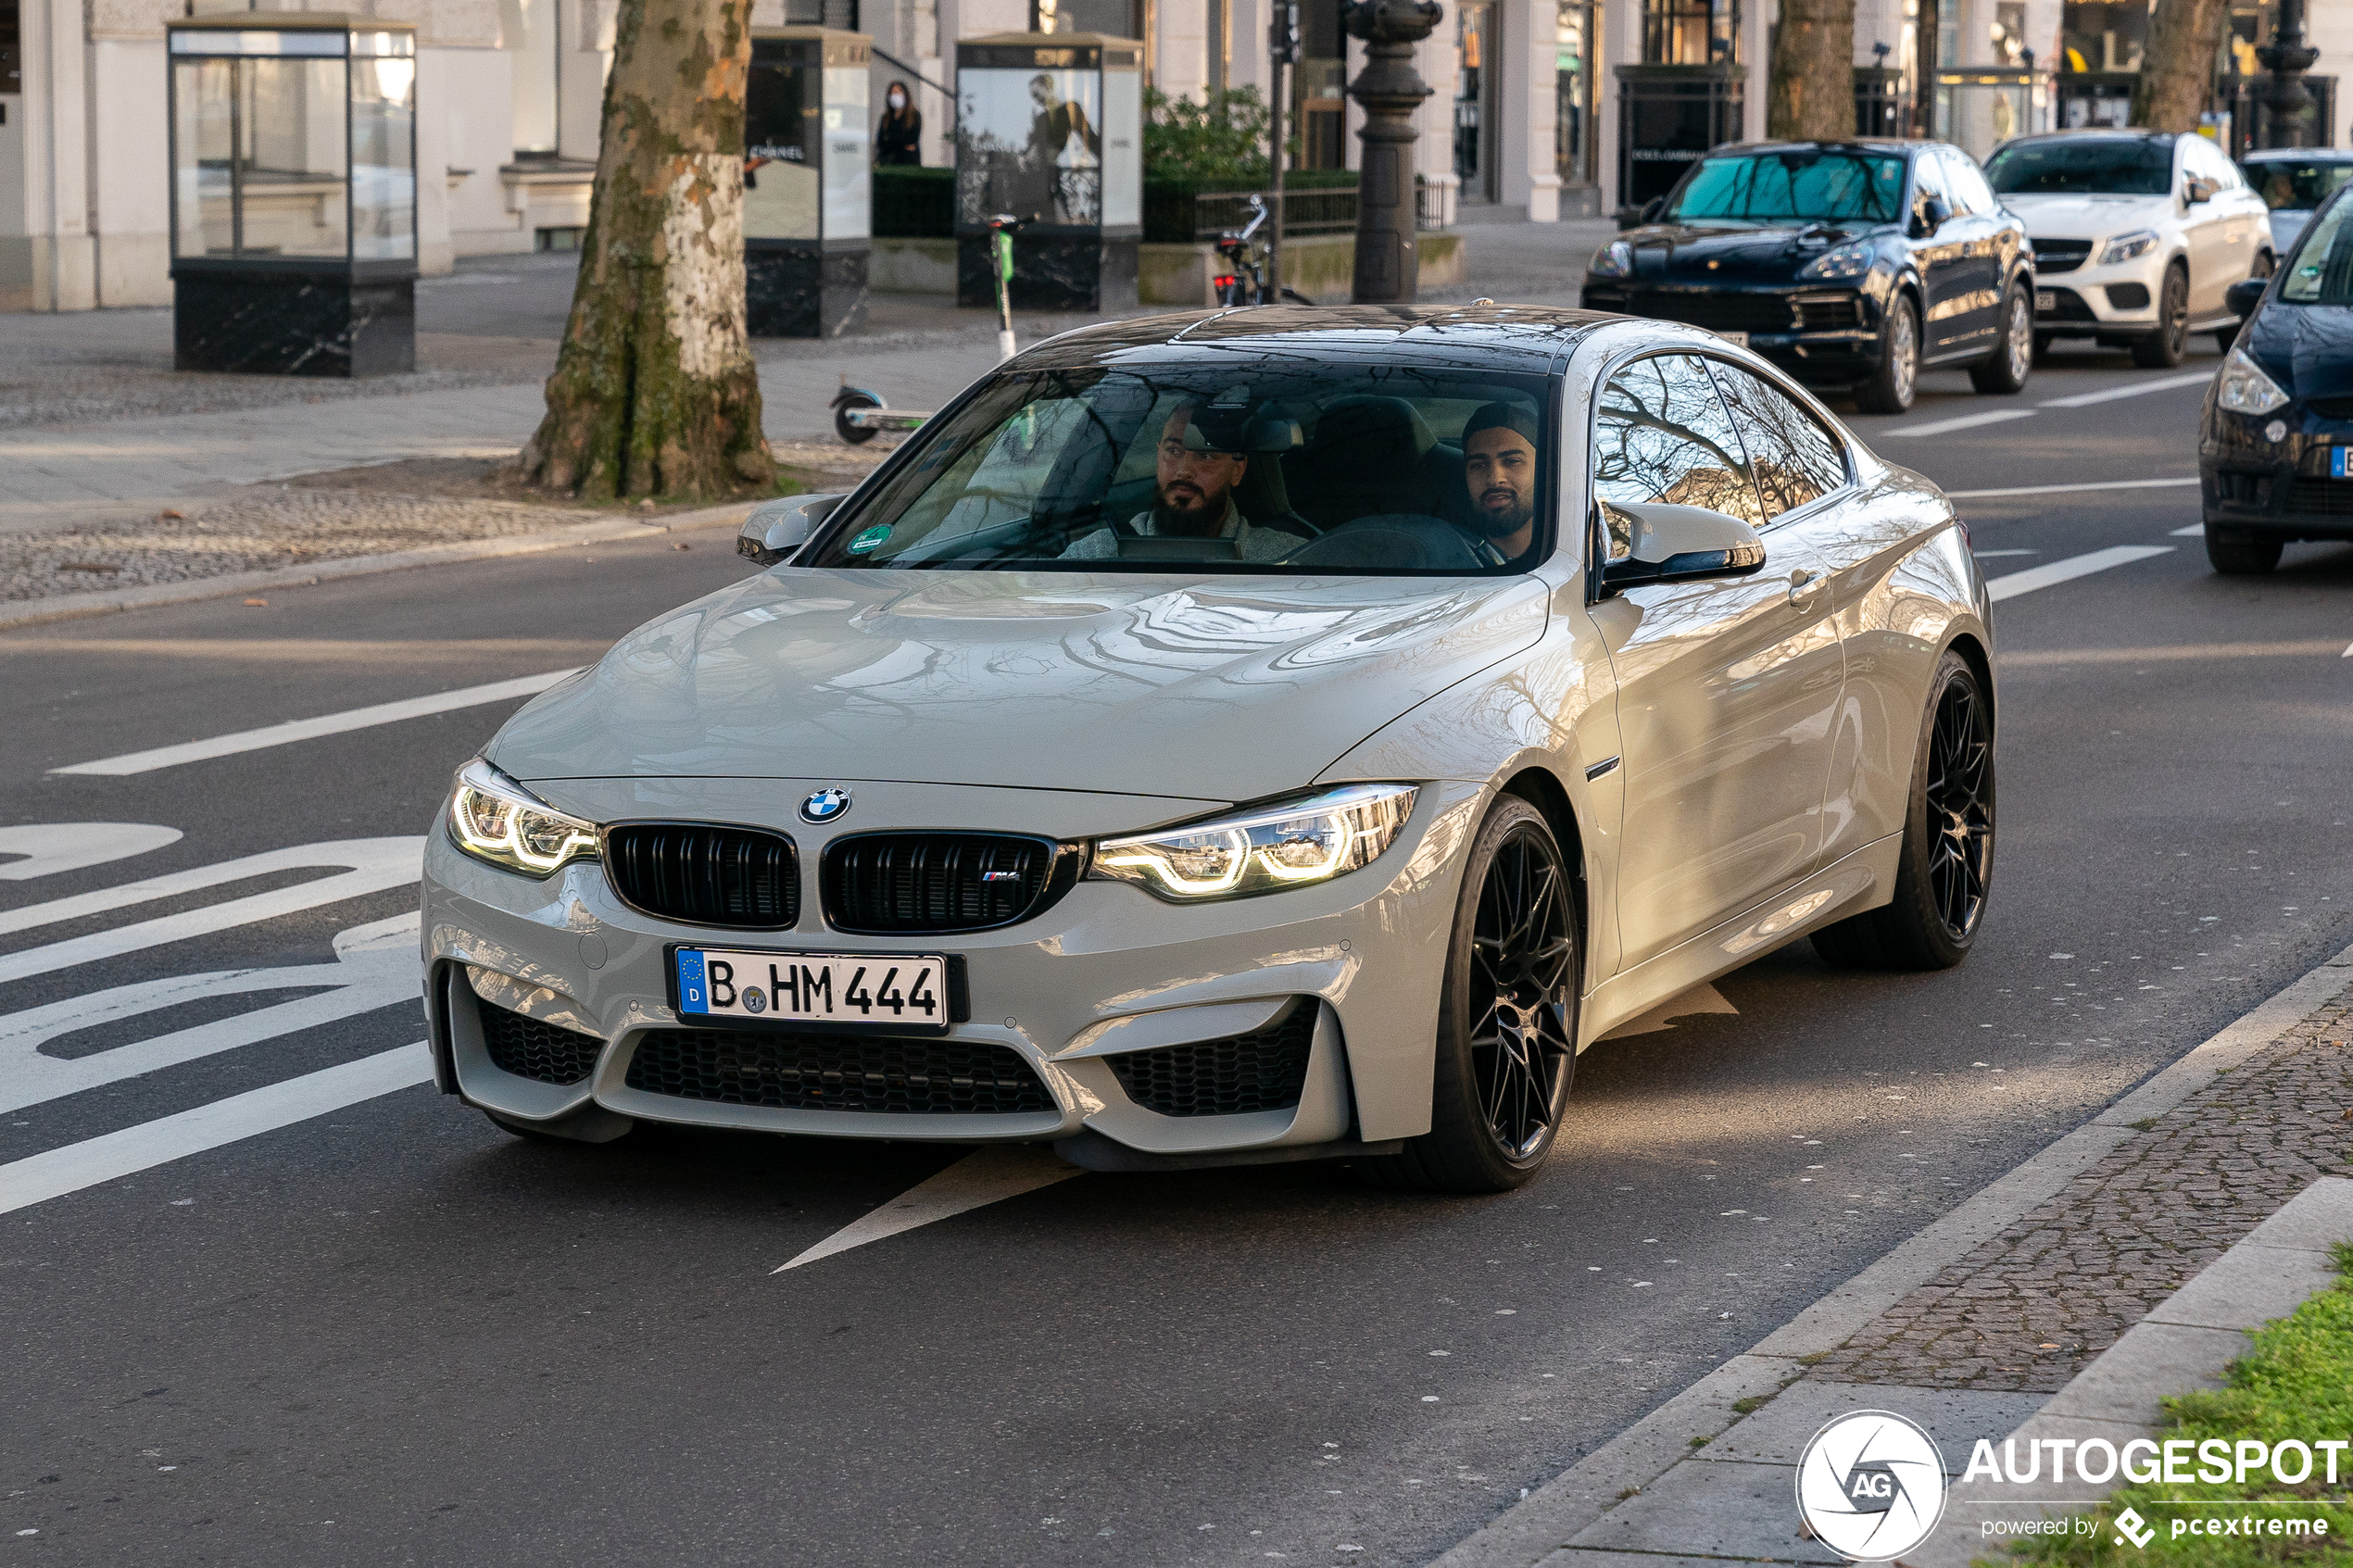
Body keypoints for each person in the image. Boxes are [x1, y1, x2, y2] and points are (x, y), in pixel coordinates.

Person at [1062, 405, 1309, 561]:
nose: (1184, 471)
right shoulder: (1095, 554)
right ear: (1158, 456)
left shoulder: (1287, 558)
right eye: (1173, 451)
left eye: (1206, 455)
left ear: (1238, 469)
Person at [1456, 402, 1542, 563]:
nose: (1494, 479)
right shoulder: (1444, 557)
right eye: (1479, 465)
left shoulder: (1572, 556)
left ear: (1542, 470)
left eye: (1512, 461)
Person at [876, 82, 922, 167]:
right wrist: (902, 145)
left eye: (899, 91)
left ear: (905, 94)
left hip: (909, 162)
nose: (896, 95)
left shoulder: (914, 115)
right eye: (893, 92)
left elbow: (912, 139)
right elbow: (881, 142)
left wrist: (889, 138)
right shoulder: (886, 118)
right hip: (888, 162)